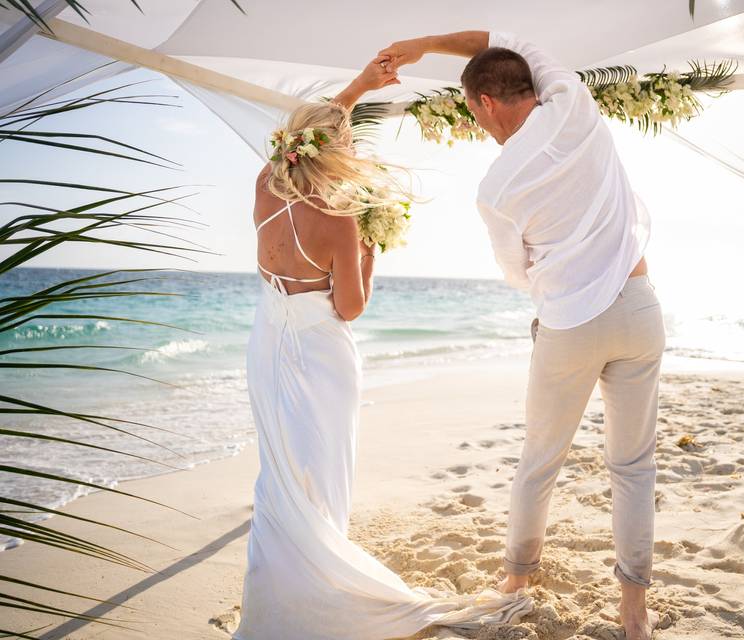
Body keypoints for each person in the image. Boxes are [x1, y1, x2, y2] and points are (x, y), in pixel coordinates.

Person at [380, 32, 664, 640]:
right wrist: (423, 45)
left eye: (472, 112)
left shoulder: (496, 187)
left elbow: (515, 273)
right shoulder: (576, 104)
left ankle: (516, 581)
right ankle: (634, 610)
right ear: (531, 86)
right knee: (634, 465)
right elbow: (510, 40)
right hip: (640, 308)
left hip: (570, 323)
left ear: (483, 102)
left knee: (540, 462)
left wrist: (552, 261)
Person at [235, 55, 530, 640]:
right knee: (323, 470)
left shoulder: (267, 187)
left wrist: (359, 87)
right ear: (336, 152)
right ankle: (321, 590)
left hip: (266, 346)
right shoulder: (340, 221)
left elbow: (313, 133)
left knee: (280, 476)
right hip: (321, 354)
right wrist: (370, 251)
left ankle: (274, 599)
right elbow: (349, 307)